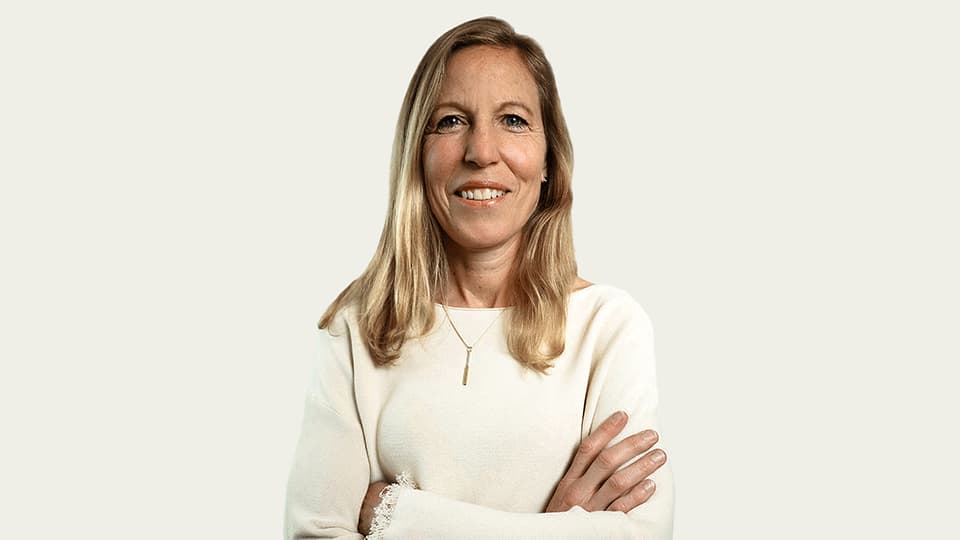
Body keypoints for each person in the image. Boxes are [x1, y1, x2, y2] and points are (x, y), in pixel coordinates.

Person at [284, 16, 674, 539]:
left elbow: (641, 536)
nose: (481, 151)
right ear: (417, 156)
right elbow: (314, 534)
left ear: (548, 161)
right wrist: (557, 531)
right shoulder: (358, 326)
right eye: (450, 121)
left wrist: (397, 517)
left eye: (513, 120)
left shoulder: (609, 328)